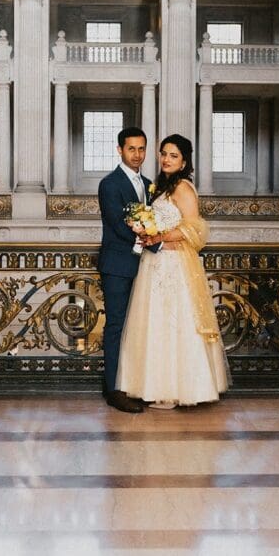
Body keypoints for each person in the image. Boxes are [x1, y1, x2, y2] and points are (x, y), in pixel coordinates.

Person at [116, 134, 230, 409]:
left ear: (184, 161)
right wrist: (147, 232)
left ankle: (177, 389)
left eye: (173, 155)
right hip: (154, 264)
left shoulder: (183, 188)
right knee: (154, 324)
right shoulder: (163, 187)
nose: (166, 159)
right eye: (164, 153)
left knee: (173, 324)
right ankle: (154, 386)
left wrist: (159, 237)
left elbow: (195, 229)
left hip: (174, 265)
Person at [97, 126, 157, 414]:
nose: (137, 154)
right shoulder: (109, 184)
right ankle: (113, 390)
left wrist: (155, 240)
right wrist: (149, 240)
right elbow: (117, 224)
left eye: (142, 148)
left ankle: (134, 384)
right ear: (119, 149)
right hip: (118, 266)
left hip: (143, 266)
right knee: (116, 326)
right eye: (131, 148)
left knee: (138, 328)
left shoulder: (149, 183)